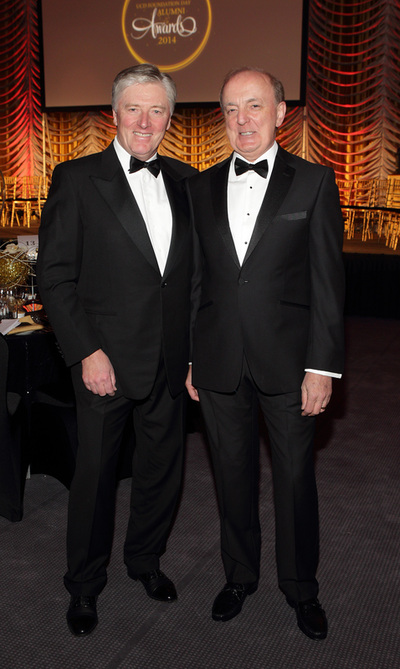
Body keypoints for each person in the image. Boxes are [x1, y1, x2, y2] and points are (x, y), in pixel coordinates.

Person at [37, 63, 197, 637]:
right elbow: (55, 277)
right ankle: (83, 584)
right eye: (134, 108)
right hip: (105, 362)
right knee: (95, 477)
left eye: (157, 110)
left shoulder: (188, 181)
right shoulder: (76, 178)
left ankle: (145, 561)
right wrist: (87, 352)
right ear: (114, 113)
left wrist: (195, 356)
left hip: (171, 362)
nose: (145, 121)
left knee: (162, 472)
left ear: (170, 118)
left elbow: (195, 280)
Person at [186, 67, 345, 641]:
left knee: (295, 479)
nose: (242, 119)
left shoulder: (314, 182)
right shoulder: (200, 187)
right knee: (231, 476)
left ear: (280, 113)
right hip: (219, 360)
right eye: (231, 109)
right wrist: (192, 358)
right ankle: (239, 576)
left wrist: (321, 366)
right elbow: (197, 282)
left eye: (254, 105)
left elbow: (328, 283)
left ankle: (301, 588)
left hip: (290, 362)